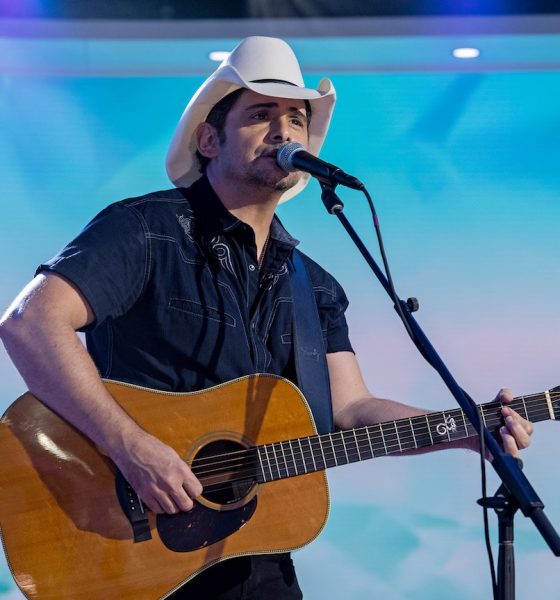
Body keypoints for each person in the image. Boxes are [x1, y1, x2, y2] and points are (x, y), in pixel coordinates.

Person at [0, 36, 533, 599]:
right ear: (209, 139)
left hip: (252, 558)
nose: (284, 131)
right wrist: (131, 447)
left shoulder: (314, 284)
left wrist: (467, 429)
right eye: (261, 115)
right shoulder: (146, 229)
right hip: (130, 551)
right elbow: (30, 324)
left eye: (297, 118)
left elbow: (349, 410)